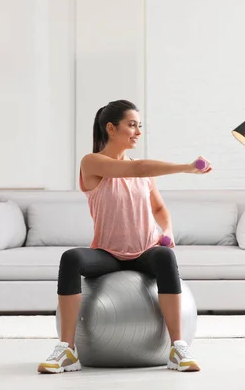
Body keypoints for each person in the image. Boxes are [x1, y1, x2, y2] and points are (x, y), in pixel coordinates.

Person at [37, 100, 211, 374]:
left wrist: (167, 230)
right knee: (71, 258)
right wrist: (186, 168)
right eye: (132, 125)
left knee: (165, 256)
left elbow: (159, 208)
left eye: (139, 126)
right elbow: (135, 169)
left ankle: (177, 347)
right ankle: (67, 350)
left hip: (145, 251)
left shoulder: (144, 173)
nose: (138, 132)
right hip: (107, 254)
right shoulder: (92, 163)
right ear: (111, 128)